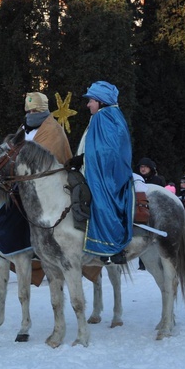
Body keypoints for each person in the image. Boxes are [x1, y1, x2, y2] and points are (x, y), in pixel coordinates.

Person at [78, 81, 133, 265]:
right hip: (101, 172)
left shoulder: (104, 118)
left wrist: (85, 160)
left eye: (91, 101)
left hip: (106, 176)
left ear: (101, 101)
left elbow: (107, 152)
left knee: (102, 202)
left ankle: (109, 246)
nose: (88, 105)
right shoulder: (107, 116)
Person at [20, 92, 73, 164]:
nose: (31, 114)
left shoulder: (54, 130)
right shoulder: (23, 128)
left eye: (35, 111)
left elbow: (50, 160)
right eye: (29, 111)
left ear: (43, 110)